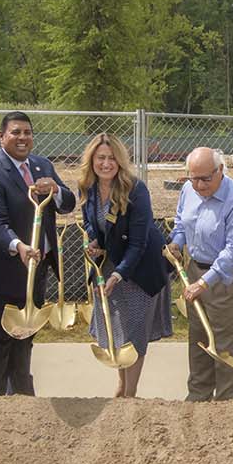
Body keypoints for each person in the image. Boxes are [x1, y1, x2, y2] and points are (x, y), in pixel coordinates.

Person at [0, 110, 75, 397]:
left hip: (36, 271)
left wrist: (56, 190)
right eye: (15, 132)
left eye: (27, 132)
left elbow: (67, 203)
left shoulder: (42, 166)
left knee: (25, 338)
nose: (22, 137)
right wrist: (19, 246)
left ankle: (23, 400)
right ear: (1, 137)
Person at [78, 132, 171, 398]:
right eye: (101, 158)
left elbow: (139, 242)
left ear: (120, 161)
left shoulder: (135, 189)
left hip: (140, 267)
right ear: (92, 160)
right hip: (112, 263)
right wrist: (94, 240)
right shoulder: (87, 186)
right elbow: (89, 221)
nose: (106, 164)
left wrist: (119, 274)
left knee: (134, 332)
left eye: (112, 158)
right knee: (117, 328)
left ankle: (130, 394)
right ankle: (121, 386)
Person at [166, 147, 233, 401]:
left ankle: (226, 401)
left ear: (220, 171)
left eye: (205, 179)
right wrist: (177, 243)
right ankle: (198, 396)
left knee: (225, 343)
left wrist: (204, 283)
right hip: (196, 270)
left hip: (228, 278)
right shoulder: (188, 190)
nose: (199, 185)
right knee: (198, 338)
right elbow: (181, 222)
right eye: (193, 178)